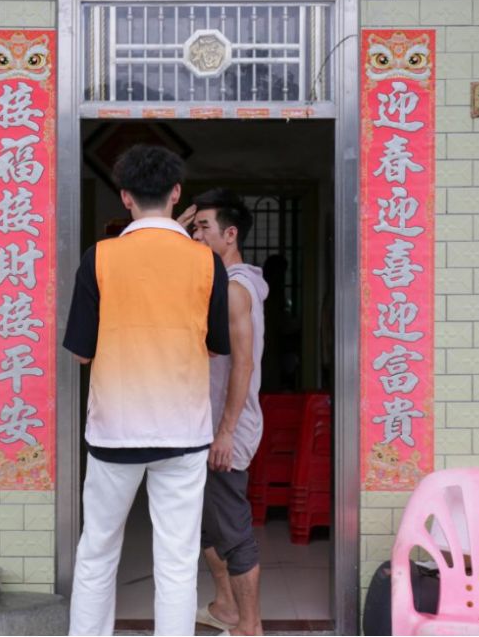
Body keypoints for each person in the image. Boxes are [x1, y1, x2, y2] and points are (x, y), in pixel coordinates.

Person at [63, 145, 231, 636]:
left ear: (125, 197)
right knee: (177, 559)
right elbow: (216, 347)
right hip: (183, 433)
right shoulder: (207, 262)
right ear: (176, 193)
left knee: (97, 551)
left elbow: (80, 354)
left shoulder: (99, 257)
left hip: (114, 431)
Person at [179, 189, 268, 636]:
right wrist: (177, 226)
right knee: (207, 526)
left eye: (203, 227)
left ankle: (249, 627)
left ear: (230, 234)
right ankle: (226, 608)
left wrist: (226, 432)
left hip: (225, 430)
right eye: (193, 227)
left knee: (232, 531)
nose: (196, 235)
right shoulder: (217, 282)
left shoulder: (236, 289)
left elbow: (243, 365)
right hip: (205, 425)